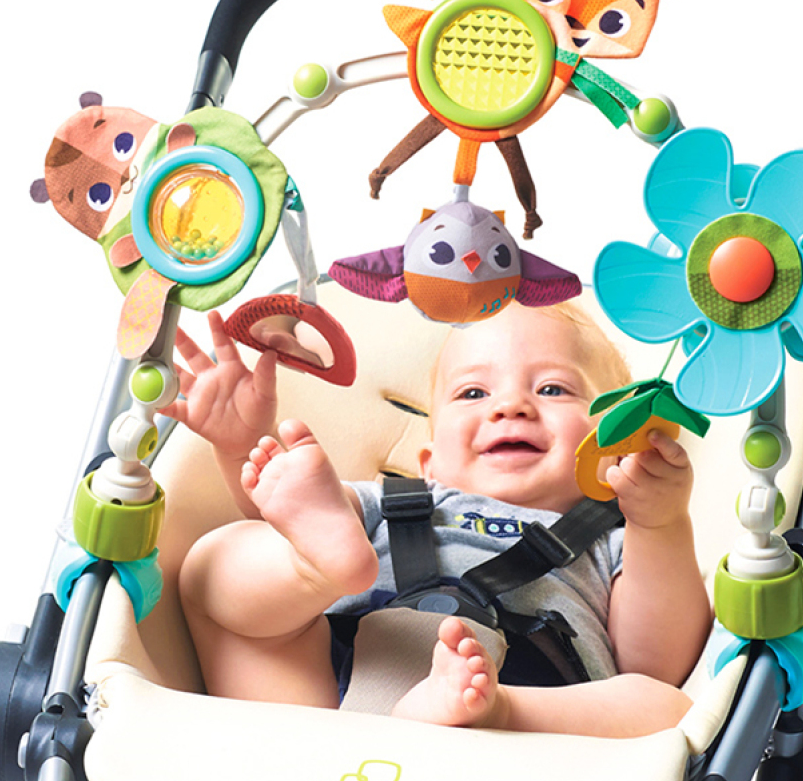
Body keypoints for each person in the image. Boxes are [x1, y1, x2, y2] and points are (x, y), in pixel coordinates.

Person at [166, 302, 712, 738]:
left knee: (666, 708)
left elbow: (656, 663)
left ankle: (487, 710)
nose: (510, 406)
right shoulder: (397, 501)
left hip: (530, 726)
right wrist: (243, 446)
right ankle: (316, 571)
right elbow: (275, 519)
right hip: (325, 708)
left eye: (552, 389)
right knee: (218, 561)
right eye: (473, 393)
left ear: (610, 449)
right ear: (430, 461)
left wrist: (659, 525)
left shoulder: (614, 538)